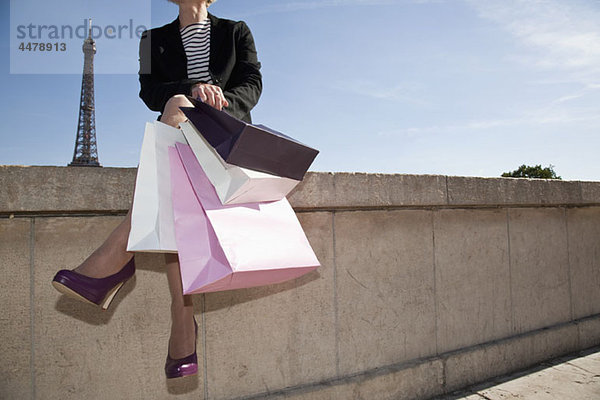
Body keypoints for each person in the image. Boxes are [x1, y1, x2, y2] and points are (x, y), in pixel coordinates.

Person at [52, 0, 262, 379]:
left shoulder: (236, 30)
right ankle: (181, 322)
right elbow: (150, 92)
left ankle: (123, 252)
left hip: (226, 135)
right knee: (178, 113)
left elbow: (252, 84)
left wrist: (220, 100)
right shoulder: (152, 39)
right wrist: (194, 90)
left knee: (174, 155)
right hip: (179, 131)